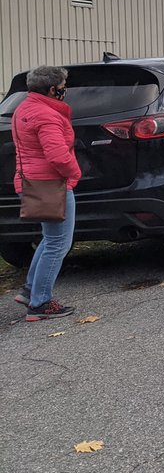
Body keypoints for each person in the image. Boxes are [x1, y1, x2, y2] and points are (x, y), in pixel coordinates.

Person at [12, 65, 80, 321]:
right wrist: (74, 173)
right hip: (51, 183)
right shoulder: (47, 115)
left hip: (31, 181)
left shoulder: (23, 109)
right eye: (63, 87)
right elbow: (57, 155)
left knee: (49, 238)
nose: (65, 91)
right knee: (58, 243)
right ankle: (41, 303)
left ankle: (30, 290)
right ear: (53, 89)